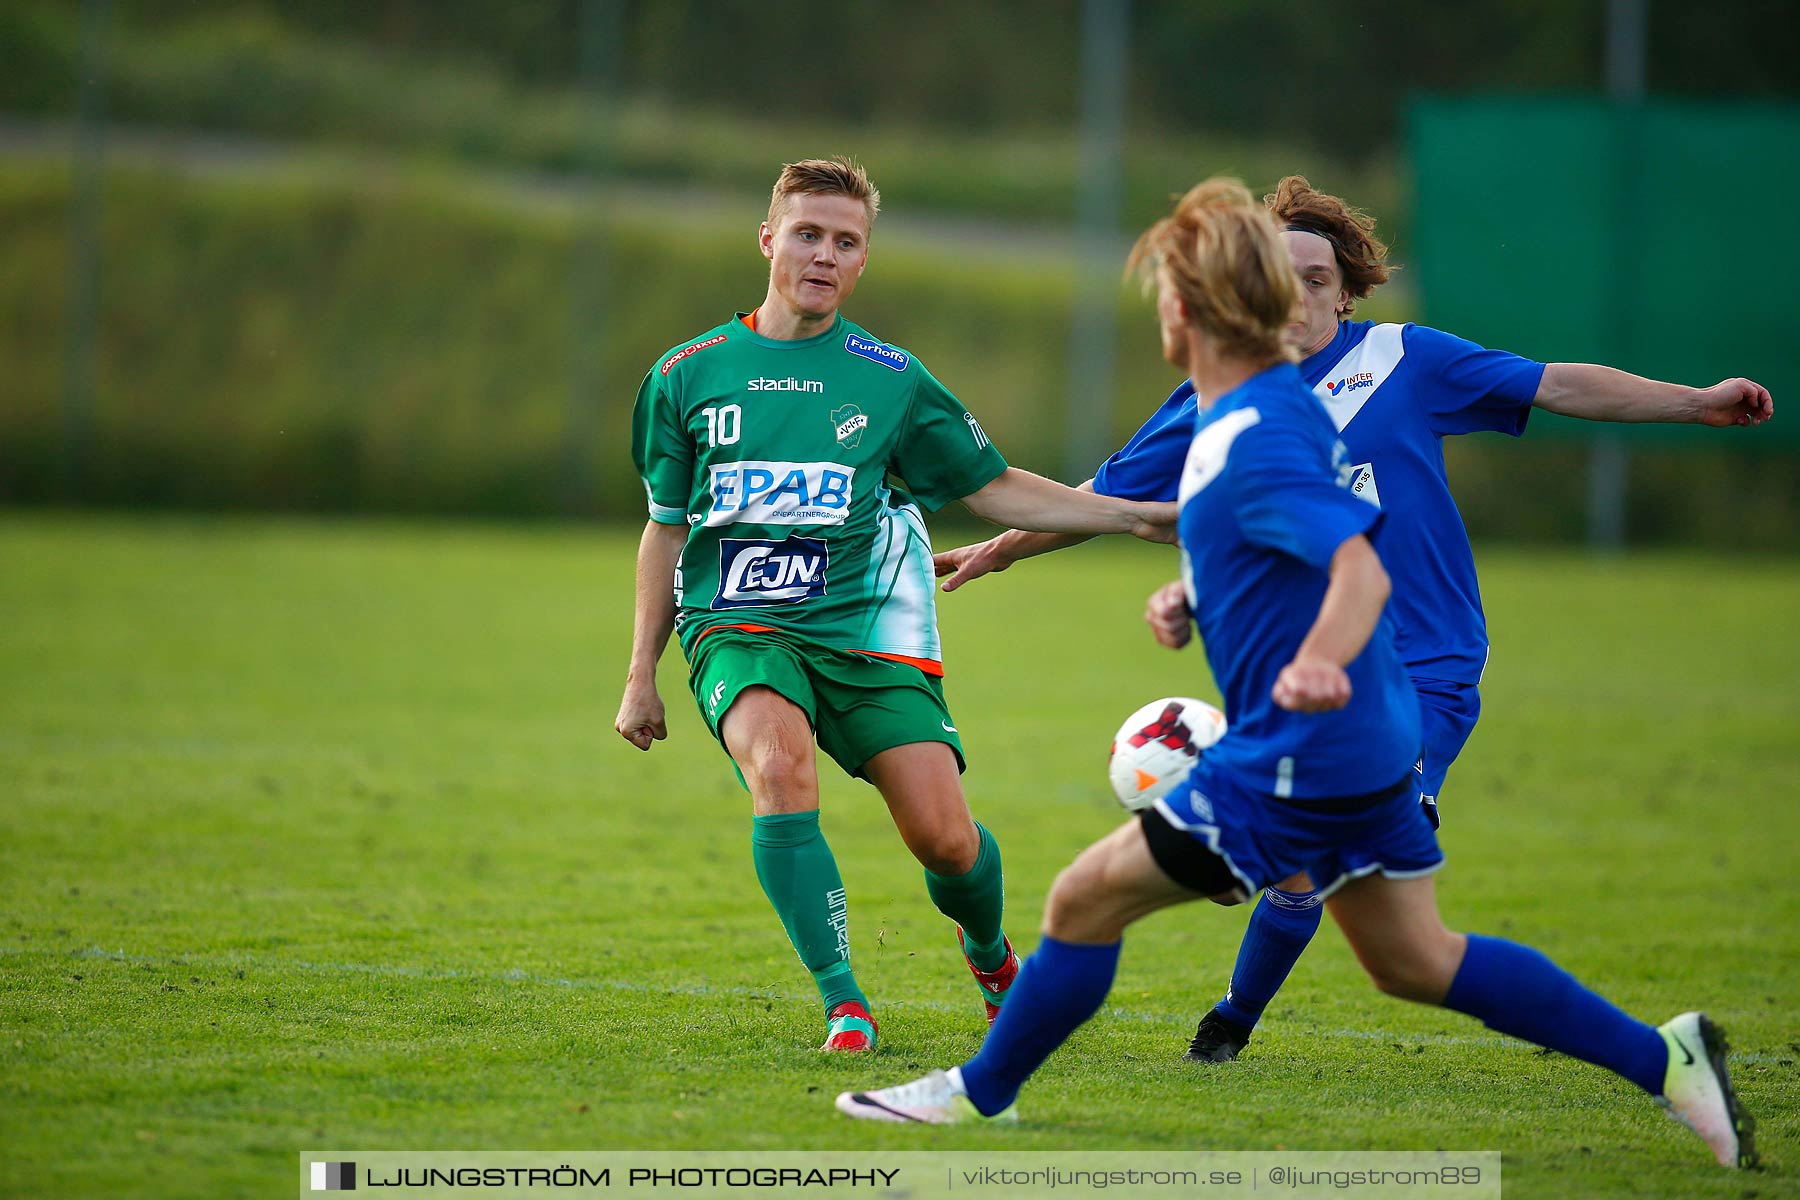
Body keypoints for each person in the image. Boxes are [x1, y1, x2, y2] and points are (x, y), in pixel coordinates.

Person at [834, 179, 1757, 1171]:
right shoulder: (1264, 402)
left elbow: (1355, 563)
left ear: (1192, 310)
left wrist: (1316, 659)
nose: (1159, 312)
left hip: (1306, 746)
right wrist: (1196, 592)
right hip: (1366, 736)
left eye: (1165, 296)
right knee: (1415, 959)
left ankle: (979, 1095)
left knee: (1080, 900)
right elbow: (1256, 529)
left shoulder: (1257, 429)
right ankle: (1668, 1061)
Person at [614, 156, 1175, 1054]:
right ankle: (846, 1002)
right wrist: (641, 673)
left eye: (845, 241)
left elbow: (993, 488)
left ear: (863, 259)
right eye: (807, 234)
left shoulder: (891, 378)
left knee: (946, 841)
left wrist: (1134, 517)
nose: (824, 255)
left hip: (866, 634)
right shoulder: (687, 376)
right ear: (768, 240)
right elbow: (666, 531)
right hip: (739, 629)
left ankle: (993, 962)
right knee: (779, 767)